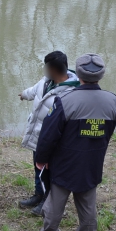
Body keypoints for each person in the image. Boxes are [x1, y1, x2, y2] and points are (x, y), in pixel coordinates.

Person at [33, 53, 116, 231]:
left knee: (56, 203)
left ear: (78, 73)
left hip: (65, 162)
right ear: (101, 75)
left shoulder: (65, 100)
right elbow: (108, 133)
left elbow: (49, 134)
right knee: (88, 204)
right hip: (92, 161)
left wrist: (41, 159)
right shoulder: (112, 101)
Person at [18, 51, 80, 216]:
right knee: (38, 168)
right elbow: (34, 91)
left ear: (53, 69)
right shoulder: (46, 81)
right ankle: (38, 194)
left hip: (54, 141)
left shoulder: (71, 93)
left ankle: (48, 201)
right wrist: (24, 95)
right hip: (38, 137)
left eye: (47, 66)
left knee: (50, 173)